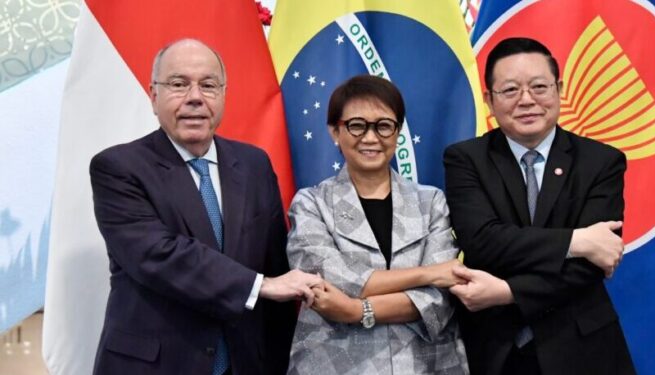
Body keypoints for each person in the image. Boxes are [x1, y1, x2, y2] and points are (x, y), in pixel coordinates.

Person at [89, 39, 322, 375]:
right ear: (154, 97)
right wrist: (260, 285)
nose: (195, 97)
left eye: (208, 85)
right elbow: (160, 255)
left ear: (223, 96)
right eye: (179, 84)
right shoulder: (118, 167)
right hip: (154, 366)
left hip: (244, 363)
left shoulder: (254, 164)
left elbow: (276, 265)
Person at [443, 37, 636, 375]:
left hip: (582, 346)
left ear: (559, 89)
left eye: (539, 87)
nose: (527, 100)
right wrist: (576, 242)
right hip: (493, 349)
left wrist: (506, 291)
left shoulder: (601, 162)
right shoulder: (465, 159)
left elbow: (589, 267)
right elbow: (483, 243)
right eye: (510, 90)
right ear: (488, 99)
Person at [285, 75, 468, 374]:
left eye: (384, 126)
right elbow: (332, 284)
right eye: (357, 125)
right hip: (334, 364)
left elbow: (440, 297)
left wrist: (357, 310)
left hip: (424, 363)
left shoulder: (431, 202)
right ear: (335, 131)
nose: (371, 138)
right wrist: (428, 273)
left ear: (397, 132)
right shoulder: (310, 203)